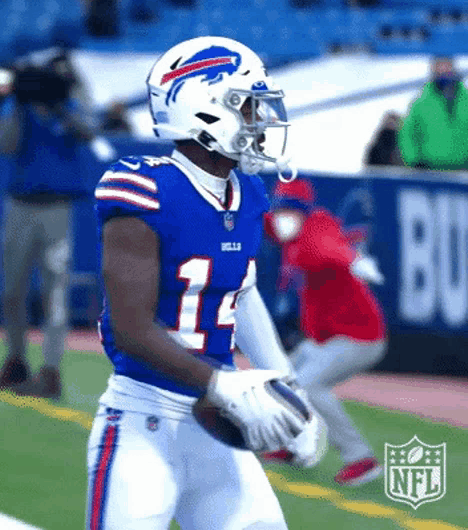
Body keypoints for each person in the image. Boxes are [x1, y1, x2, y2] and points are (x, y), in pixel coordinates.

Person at [86, 36, 326, 530]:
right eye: (249, 105)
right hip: (142, 422)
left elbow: (245, 293)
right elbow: (132, 329)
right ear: (206, 109)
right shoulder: (144, 188)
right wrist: (223, 384)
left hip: (217, 425)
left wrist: (289, 392)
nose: (262, 119)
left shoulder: (248, 192)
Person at [0, 63, 98, 400]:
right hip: (21, 204)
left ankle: (50, 370)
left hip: (57, 209)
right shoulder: (18, 108)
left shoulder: (69, 107)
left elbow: (89, 133)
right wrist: (19, 103)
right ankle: (16, 360)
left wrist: (60, 106)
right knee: (12, 290)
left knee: (55, 290)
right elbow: (5, 144)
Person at [262, 177, 387, 486]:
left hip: (360, 338)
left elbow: (331, 247)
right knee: (282, 378)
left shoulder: (315, 229)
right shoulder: (289, 231)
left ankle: (362, 460)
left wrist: (355, 261)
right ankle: (294, 446)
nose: (282, 217)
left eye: (290, 211)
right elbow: (258, 216)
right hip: (328, 339)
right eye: (280, 211)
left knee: (310, 385)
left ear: (304, 212)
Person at [398, 56, 468, 170]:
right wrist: (414, 161)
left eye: (447, 65)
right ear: (433, 69)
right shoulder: (420, 103)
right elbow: (407, 133)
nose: (444, 70)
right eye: (440, 66)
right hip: (430, 171)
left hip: (464, 171)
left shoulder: (465, 99)